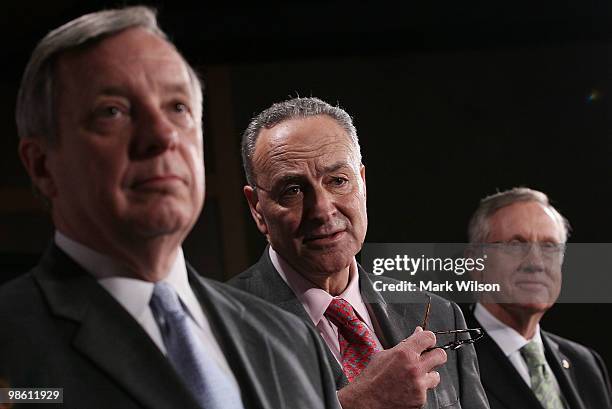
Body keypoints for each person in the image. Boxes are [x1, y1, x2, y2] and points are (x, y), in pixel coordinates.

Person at [0, 7, 340, 409]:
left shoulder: (291, 341)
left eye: (177, 108)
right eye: (113, 111)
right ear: (42, 165)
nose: (162, 135)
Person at [228, 96, 489, 409]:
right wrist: (354, 404)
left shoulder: (438, 312)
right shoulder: (219, 327)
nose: (322, 210)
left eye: (338, 181)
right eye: (293, 190)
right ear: (257, 209)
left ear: (362, 183)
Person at [462, 187, 612, 409]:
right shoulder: (446, 360)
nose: (536, 262)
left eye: (549, 246)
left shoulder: (585, 364)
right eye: (516, 244)